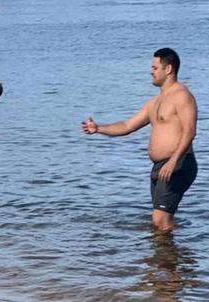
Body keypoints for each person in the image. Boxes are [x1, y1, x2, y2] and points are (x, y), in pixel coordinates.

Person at [81, 48, 198, 232]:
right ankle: (169, 257)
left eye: (154, 67)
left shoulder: (182, 96)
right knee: (161, 221)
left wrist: (173, 161)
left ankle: (168, 258)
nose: (151, 71)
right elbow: (127, 126)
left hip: (178, 164)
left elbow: (190, 131)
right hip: (160, 166)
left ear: (168, 69)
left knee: (160, 219)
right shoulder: (154, 102)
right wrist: (98, 129)